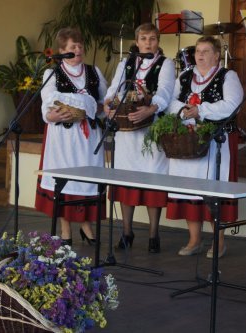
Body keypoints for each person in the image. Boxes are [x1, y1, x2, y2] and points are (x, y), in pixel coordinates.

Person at [166, 36, 243, 258]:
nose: (200, 55)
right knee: (190, 190)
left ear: (217, 55)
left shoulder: (227, 76)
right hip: (185, 143)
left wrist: (201, 111)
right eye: (198, 51)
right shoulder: (184, 75)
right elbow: (170, 102)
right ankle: (194, 239)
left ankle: (218, 241)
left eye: (206, 51)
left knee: (212, 191)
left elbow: (232, 105)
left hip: (215, 143)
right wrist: (184, 111)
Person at [103, 23, 174, 253]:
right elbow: (115, 88)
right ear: (136, 41)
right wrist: (108, 105)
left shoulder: (166, 64)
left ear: (158, 41)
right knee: (127, 182)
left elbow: (165, 91)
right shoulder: (126, 62)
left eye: (153, 38)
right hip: (126, 134)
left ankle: (154, 235)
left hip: (151, 133)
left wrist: (151, 109)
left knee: (153, 182)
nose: (148, 43)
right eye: (144, 38)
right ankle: (127, 232)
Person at [35, 27, 108, 246]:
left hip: (89, 138)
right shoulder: (52, 73)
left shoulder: (94, 72)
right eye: (72, 47)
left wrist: (99, 108)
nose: (78, 49)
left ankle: (85, 226)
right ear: (62, 51)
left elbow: (103, 104)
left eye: (80, 45)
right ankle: (66, 229)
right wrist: (53, 114)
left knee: (86, 181)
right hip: (64, 138)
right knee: (66, 182)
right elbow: (46, 106)